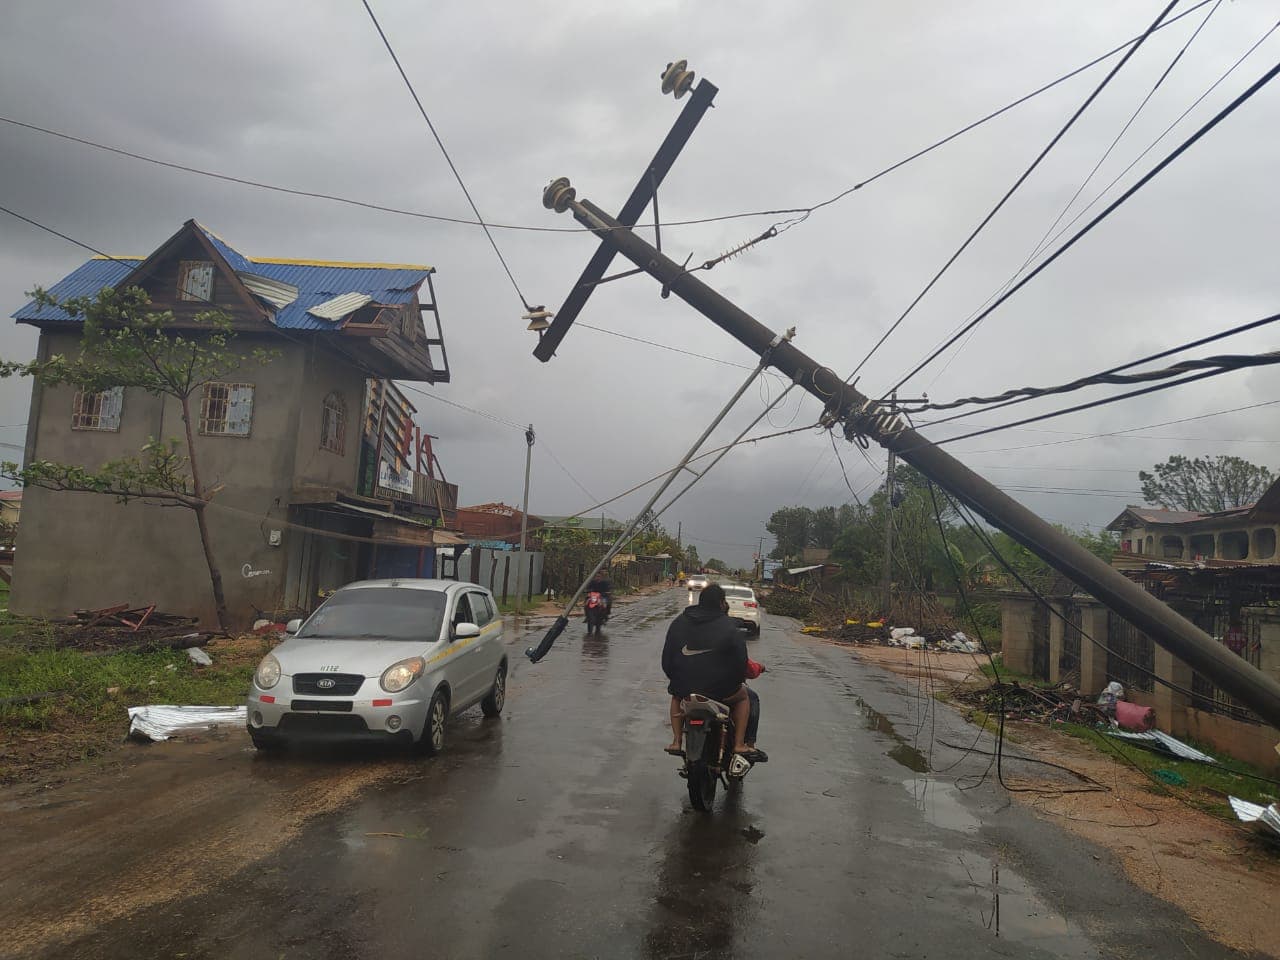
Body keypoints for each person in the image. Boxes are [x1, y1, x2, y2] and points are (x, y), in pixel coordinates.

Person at [661, 583, 764, 760]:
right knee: (744, 698)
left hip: (684, 688)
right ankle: (740, 744)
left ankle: (676, 741)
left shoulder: (679, 622)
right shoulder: (729, 626)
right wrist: (735, 682)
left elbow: (666, 660)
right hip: (721, 690)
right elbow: (741, 663)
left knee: (676, 696)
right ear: (721, 603)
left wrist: (676, 679)